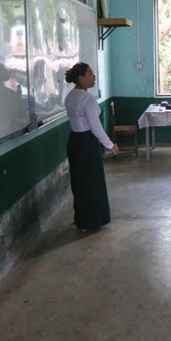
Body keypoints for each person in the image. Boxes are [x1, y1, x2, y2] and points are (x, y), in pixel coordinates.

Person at [64, 62, 118, 231]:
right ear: (80, 78)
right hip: (87, 143)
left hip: (74, 141)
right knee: (92, 182)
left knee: (79, 182)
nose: (93, 77)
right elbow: (95, 126)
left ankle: (81, 219)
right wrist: (110, 145)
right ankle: (92, 221)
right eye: (90, 74)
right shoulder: (87, 99)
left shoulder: (70, 96)